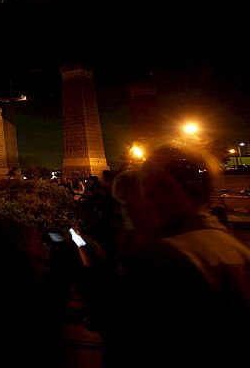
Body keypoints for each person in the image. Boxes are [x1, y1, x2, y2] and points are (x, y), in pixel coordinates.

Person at [102, 141, 250, 366]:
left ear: (164, 188)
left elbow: (131, 348)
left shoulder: (160, 259)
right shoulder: (237, 251)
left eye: (145, 186)